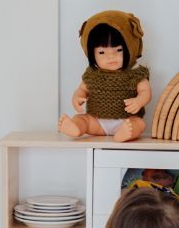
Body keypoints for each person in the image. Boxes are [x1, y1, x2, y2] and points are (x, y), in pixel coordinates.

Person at [58, 10, 150, 143]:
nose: (111, 56)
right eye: (102, 52)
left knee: (139, 123)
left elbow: (145, 91)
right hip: (97, 121)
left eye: (118, 50)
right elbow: (82, 89)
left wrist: (139, 101)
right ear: (91, 54)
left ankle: (125, 133)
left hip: (126, 120)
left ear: (130, 48)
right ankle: (76, 127)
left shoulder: (135, 73)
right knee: (82, 118)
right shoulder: (92, 74)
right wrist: (77, 97)